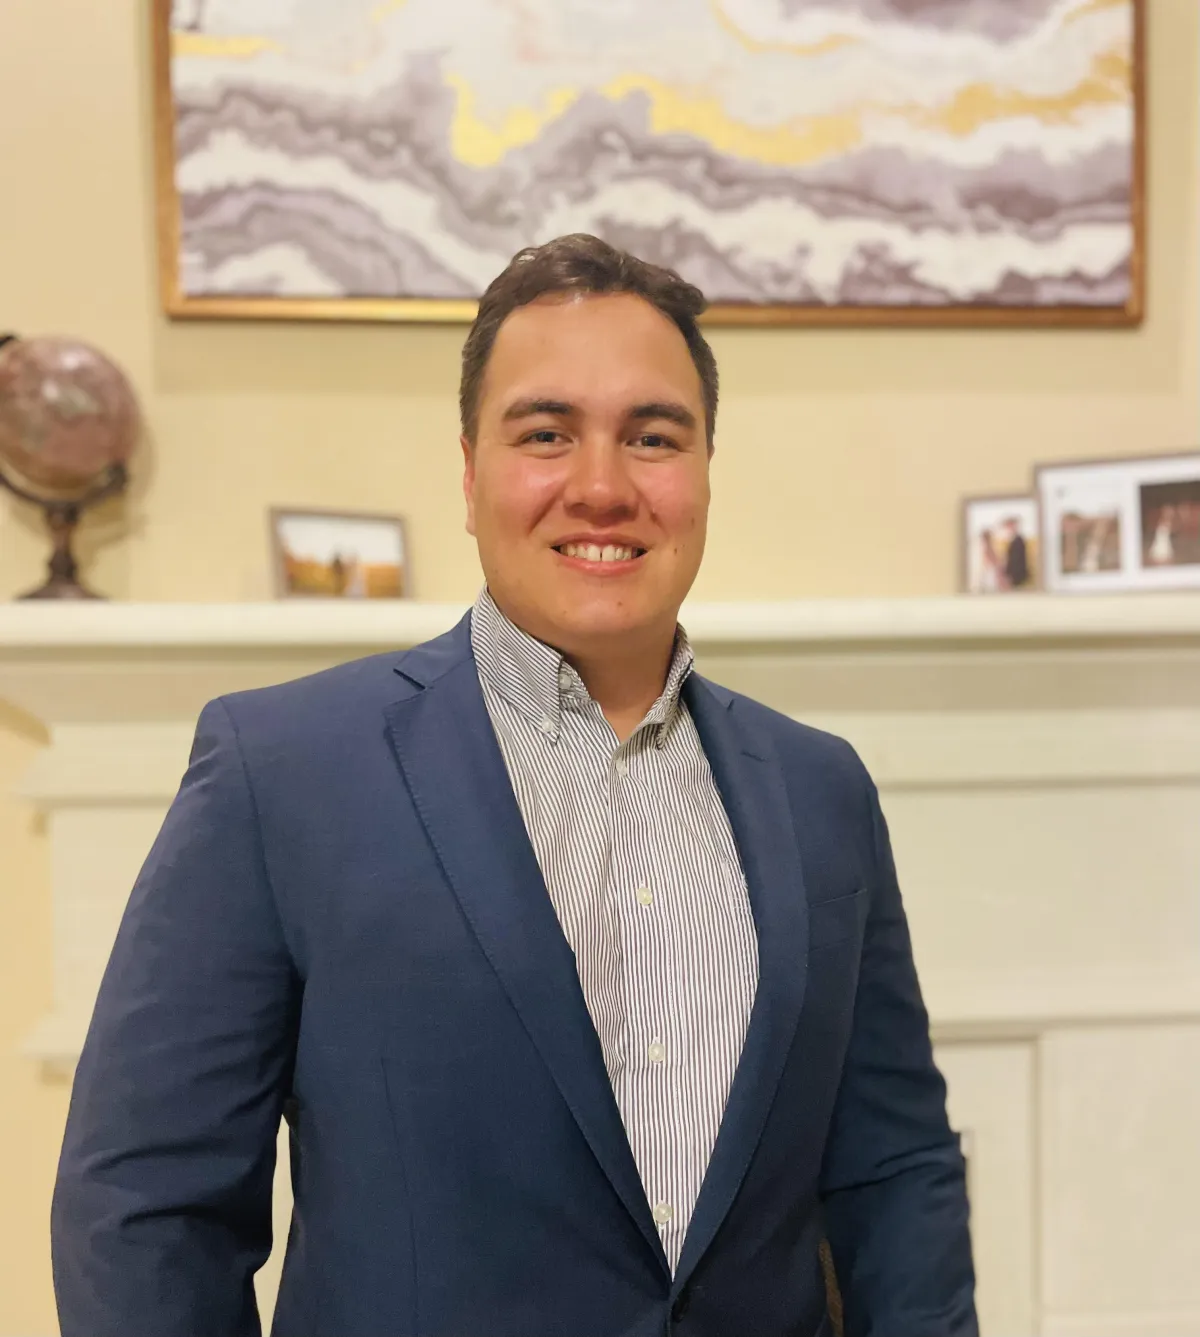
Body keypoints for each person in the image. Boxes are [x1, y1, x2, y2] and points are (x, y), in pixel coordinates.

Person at [52, 234, 976, 1337]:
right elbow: (147, 1207)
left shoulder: (823, 791)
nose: (603, 486)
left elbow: (894, 1169)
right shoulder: (282, 772)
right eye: (546, 433)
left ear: (705, 471)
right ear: (470, 470)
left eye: (653, 436)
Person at [1003, 516, 1030, 589]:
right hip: (1013, 574)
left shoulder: (1018, 540)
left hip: (1017, 574)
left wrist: (1009, 574)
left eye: (1010, 526)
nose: (1008, 529)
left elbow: (1017, 560)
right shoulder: (1013, 540)